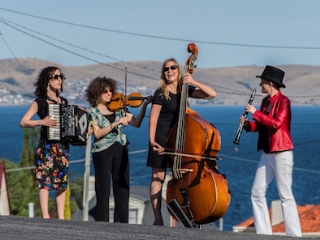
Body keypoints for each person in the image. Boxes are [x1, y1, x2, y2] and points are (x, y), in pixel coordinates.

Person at [147, 58, 217, 225]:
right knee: (158, 177)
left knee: (181, 178)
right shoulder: (160, 93)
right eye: (166, 69)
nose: (169, 71)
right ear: (163, 73)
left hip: (179, 142)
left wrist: (192, 81)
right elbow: (153, 120)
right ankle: (158, 218)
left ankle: (182, 217)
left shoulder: (184, 89)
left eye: (172, 68)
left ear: (178, 71)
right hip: (161, 139)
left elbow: (211, 94)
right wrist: (151, 141)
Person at [240, 65, 302, 237]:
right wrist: (248, 125)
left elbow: (276, 124)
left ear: (271, 84)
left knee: (285, 195)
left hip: (282, 153)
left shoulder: (284, 102)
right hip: (268, 153)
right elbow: (262, 125)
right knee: (256, 192)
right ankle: (264, 233)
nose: (261, 84)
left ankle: (294, 235)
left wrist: (254, 112)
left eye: (263, 82)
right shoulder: (265, 102)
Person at [86, 76, 152, 222]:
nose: (109, 93)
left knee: (122, 186)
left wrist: (144, 106)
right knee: (102, 188)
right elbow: (97, 134)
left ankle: (121, 223)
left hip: (120, 148)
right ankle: (101, 223)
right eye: (105, 91)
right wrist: (116, 124)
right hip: (102, 151)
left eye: (110, 90)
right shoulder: (92, 112)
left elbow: (136, 122)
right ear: (97, 93)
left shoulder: (119, 108)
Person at [20, 66, 69, 219]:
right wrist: (42, 121)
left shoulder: (64, 102)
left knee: (62, 181)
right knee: (45, 180)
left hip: (62, 146)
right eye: (55, 77)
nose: (59, 79)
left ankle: (61, 217)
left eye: (61, 76)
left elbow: (69, 124)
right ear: (47, 81)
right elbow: (24, 122)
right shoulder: (40, 101)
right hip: (47, 145)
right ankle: (45, 216)